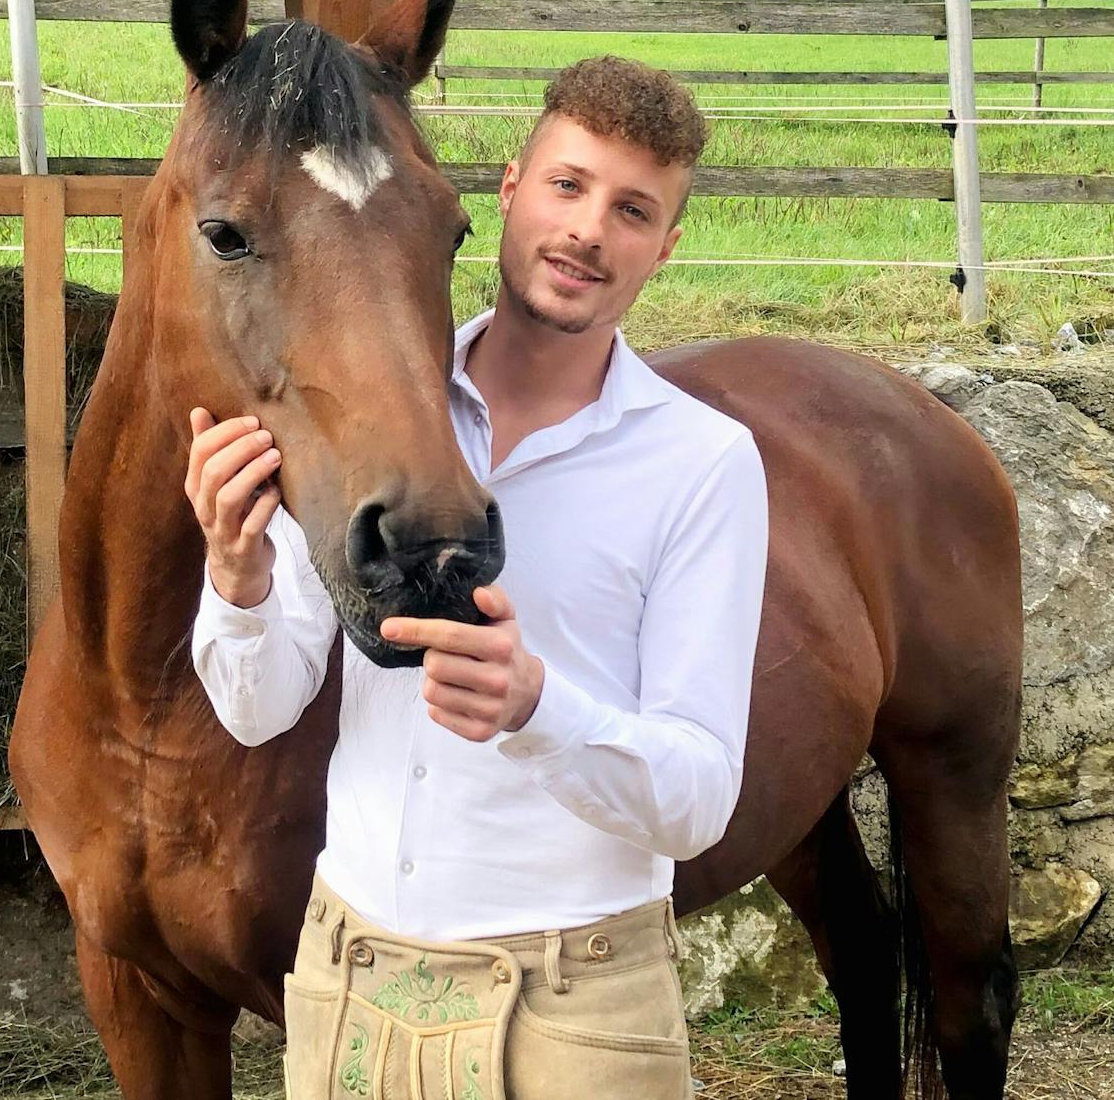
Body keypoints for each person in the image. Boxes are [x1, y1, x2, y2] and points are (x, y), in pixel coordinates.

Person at [184, 56, 768, 1100]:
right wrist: (236, 579)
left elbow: (696, 803)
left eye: (631, 210)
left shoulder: (702, 465)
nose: (589, 230)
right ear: (508, 191)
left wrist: (537, 706)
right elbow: (257, 710)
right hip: (350, 985)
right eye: (567, 185)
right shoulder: (363, 426)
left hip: (576, 1009)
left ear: (665, 247)